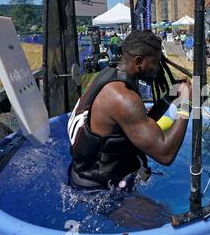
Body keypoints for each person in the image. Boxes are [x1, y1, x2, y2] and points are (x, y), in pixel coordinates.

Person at [68, 30, 192, 191]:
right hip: (97, 191)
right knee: (165, 216)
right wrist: (187, 103)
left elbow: (138, 121)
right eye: (156, 62)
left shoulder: (110, 76)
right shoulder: (123, 98)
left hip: (82, 176)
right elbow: (165, 154)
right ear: (139, 61)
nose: (158, 68)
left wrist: (169, 97)